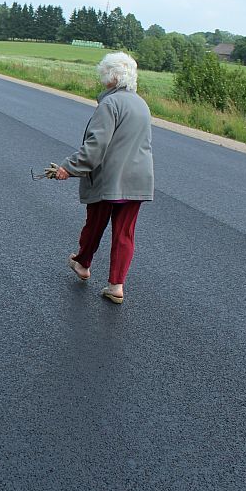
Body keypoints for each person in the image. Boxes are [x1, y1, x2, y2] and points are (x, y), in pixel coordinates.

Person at [54, 51, 154, 304]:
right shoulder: (141, 104)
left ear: (111, 76)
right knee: (124, 233)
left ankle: (83, 264)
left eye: (103, 73)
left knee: (95, 224)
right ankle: (116, 285)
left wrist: (69, 167)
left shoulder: (110, 104)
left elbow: (95, 146)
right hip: (138, 179)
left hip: (110, 179)